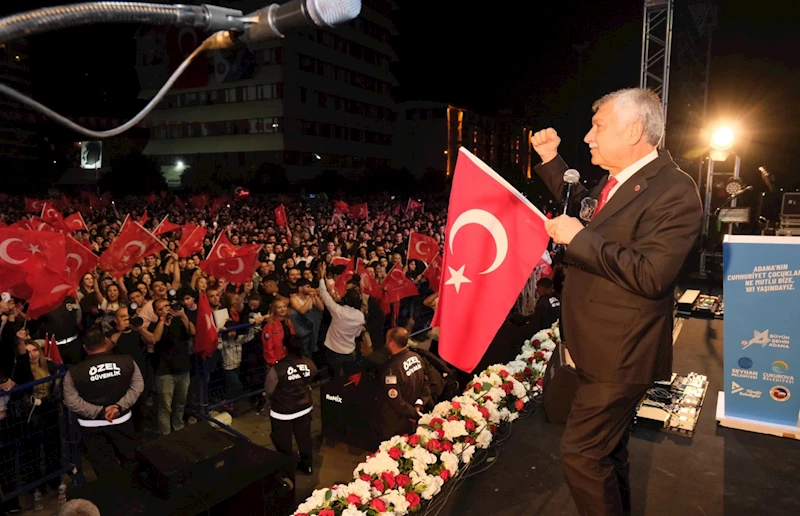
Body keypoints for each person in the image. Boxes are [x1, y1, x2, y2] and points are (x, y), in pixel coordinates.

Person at [531, 88, 702, 516]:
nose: (588, 137)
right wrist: (552, 160)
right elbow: (587, 208)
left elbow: (651, 274)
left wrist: (579, 239)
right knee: (607, 455)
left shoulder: (675, 191)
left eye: (598, 127)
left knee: (583, 456)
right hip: (600, 348)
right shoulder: (618, 181)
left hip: (621, 355)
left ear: (634, 131)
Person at [62, 326, 144, 477]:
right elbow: (138, 386)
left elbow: (71, 401)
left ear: (85, 347)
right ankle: (136, 494)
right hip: (122, 419)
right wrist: (119, 407)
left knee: (103, 468)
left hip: (91, 425)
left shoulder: (73, 372)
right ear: (106, 341)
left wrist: (99, 411)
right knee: (130, 461)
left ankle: (110, 497)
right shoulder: (127, 361)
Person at [264, 337, 318, 475]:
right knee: (304, 438)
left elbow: (269, 389)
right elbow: (313, 375)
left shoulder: (277, 368)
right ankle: (308, 466)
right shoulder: (308, 362)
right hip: (304, 408)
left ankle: (287, 469)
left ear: (285, 348)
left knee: (282, 441)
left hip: (282, 412)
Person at [374, 327, 430, 441]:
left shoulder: (391, 369)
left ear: (392, 344)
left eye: (387, 340)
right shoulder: (417, 357)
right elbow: (426, 383)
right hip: (412, 416)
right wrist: (419, 406)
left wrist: (414, 414)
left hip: (396, 422)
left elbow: (396, 401)